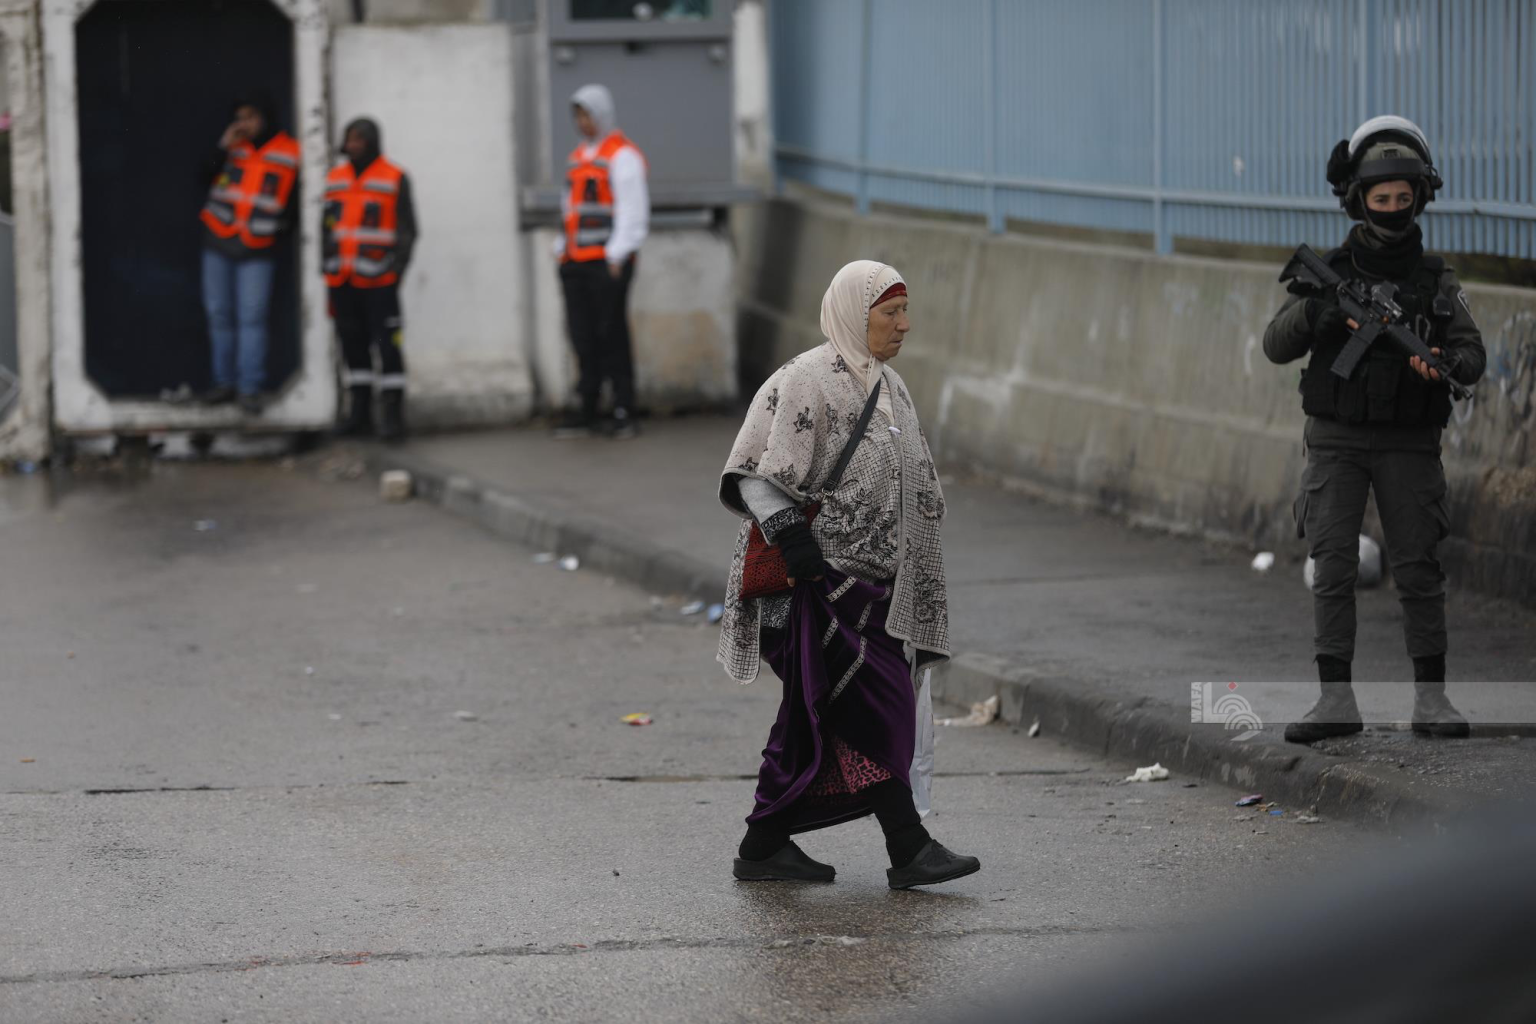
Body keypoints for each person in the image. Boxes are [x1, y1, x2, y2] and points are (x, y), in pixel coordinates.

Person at [717, 260, 980, 889]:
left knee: (815, 713)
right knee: (876, 702)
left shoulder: (890, 386)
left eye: (904, 311)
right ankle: (908, 846)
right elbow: (754, 471)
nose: (904, 325)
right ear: (852, 315)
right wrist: (794, 541)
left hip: (874, 588)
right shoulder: (804, 379)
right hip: (815, 584)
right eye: (890, 313)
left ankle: (763, 845)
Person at [1263, 116, 1485, 744]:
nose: (1393, 208)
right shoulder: (1330, 268)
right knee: (1332, 567)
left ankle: (1432, 701)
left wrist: (1442, 366)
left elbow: (1470, 354)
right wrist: (1320, 313)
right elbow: (1274, 343)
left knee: (1419, 568)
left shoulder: (1437, 281)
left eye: (1403, 197)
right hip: (1335, 438)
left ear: (1421, 195)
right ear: (1358, 199)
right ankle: (1335, 701)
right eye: (1381, 198)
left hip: (1410, 444)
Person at [554, 84, 649, 440]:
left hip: (606, 263)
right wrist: (561, 247)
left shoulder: (622, 156)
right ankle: (588, 408)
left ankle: (624, 409)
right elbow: (570, 209)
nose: (583, 122)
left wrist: (617, 254)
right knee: (583, 337)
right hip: (576, 261)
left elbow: (632, 211)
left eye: (588, 114)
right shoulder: (578, 158)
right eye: (578, 115)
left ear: (603, 115)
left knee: (611, 336)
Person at [199, 90, 300, 415]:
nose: (244, 124)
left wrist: (282, 229)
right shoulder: (233, 147)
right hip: (219, 239)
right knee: (219, 315)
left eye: (251, 117)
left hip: (258, 247)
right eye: (239, 118)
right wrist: (223, 145)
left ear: (266, 117)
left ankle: (249, 388)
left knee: (252, 318)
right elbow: (203, 177)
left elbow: (297, 199)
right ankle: (224, 383)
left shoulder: (291, 151)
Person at [322, 118, 418, 442]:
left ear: (373, 141)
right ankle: (359, 413)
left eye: (360, 139)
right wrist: (327, 266)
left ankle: (393, 416)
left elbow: (407, 231)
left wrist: (396, 271)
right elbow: (327, 227)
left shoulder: (394, 177)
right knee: (352, 347)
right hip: (343, 279)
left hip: (380, 281)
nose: (353, 145)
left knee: (388, 347)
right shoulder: (334, 179)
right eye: (349, 139)